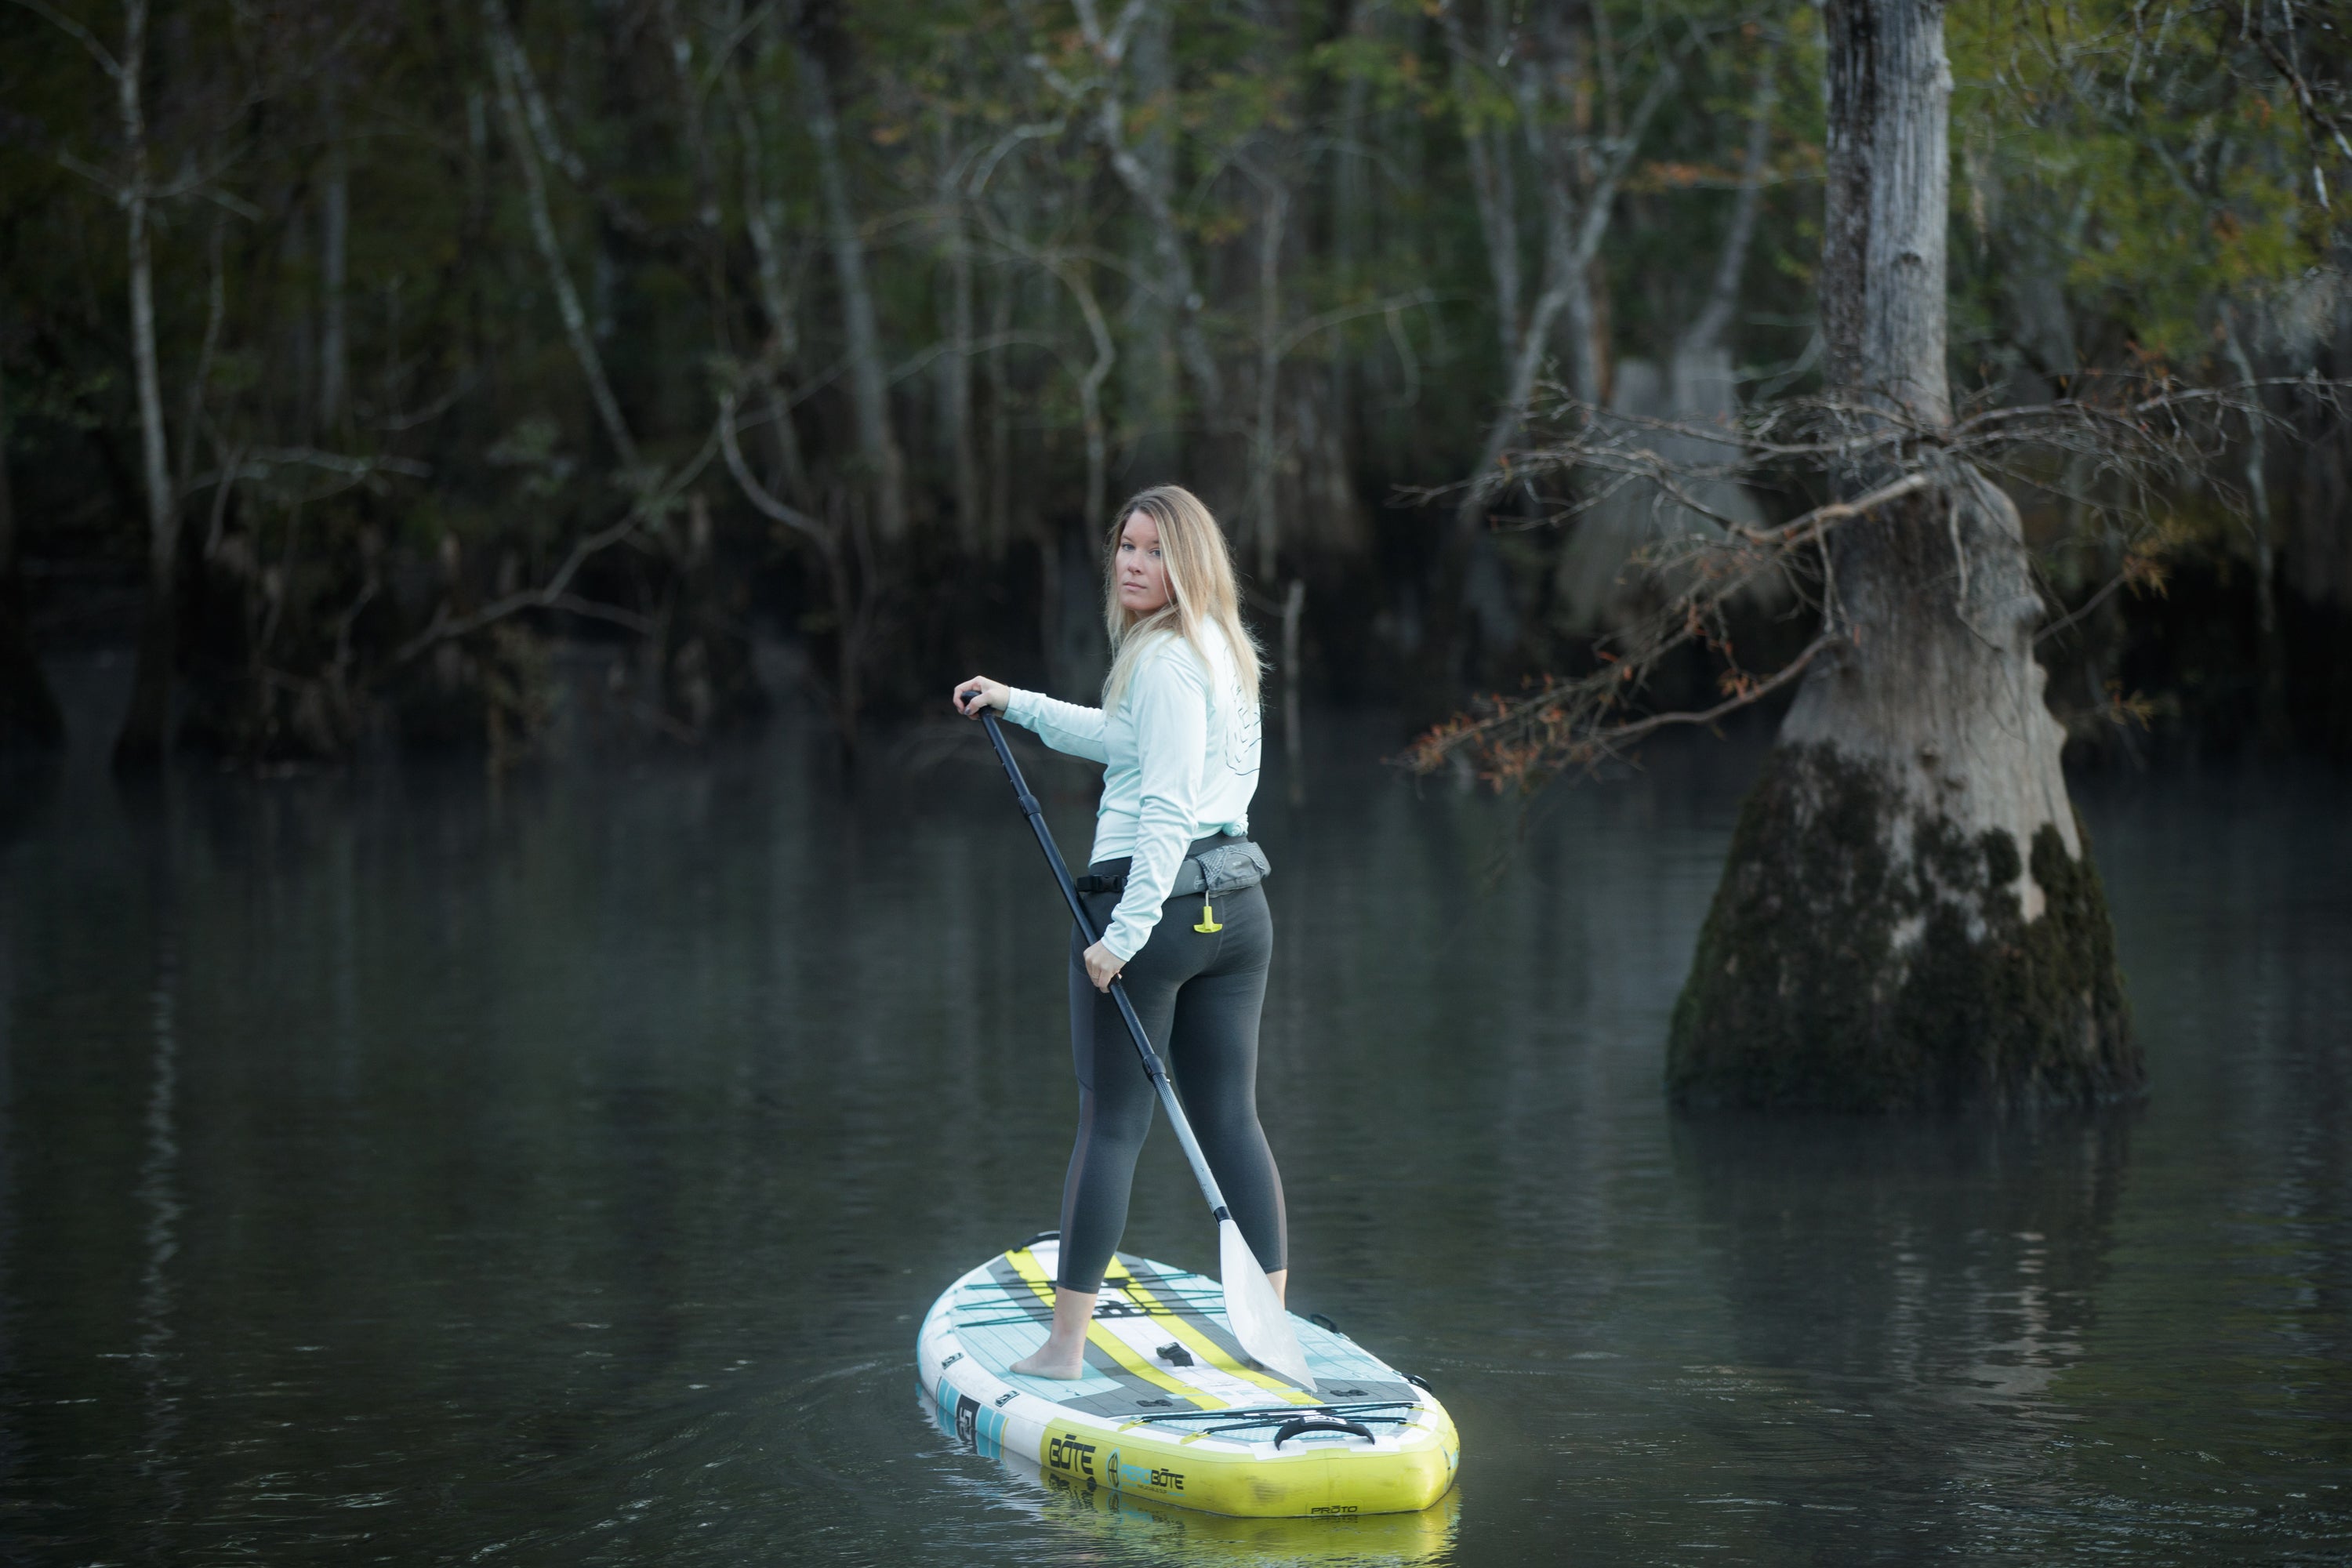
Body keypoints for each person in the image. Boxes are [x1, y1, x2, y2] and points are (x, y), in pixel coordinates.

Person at [953, 485, 1284, 1379]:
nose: (1133, 564)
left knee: (1109, 1124)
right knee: (1230, 1116)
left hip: (1157, 909)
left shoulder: (1167, 658)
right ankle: (1273, 1331)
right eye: (1126, 547)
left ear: (1189, 561)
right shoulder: (1222, 644)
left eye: (1152, 550)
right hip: (1236, 907)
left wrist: (1123, 935)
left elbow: (1167, 804)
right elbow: (1126, 740)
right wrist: (1014, 701)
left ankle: (1064, 1347)